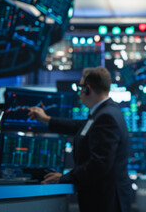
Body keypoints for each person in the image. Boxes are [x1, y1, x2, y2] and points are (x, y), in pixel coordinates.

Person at [28, 67, 132, 212]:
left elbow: (99, 164)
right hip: (103, 198)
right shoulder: (104, 112)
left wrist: (64, 177)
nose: (79, 92)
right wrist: (47, 120)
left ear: (87, 89)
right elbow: (79, 126)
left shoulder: (105, 116)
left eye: (80, 87)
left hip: (105, 202)